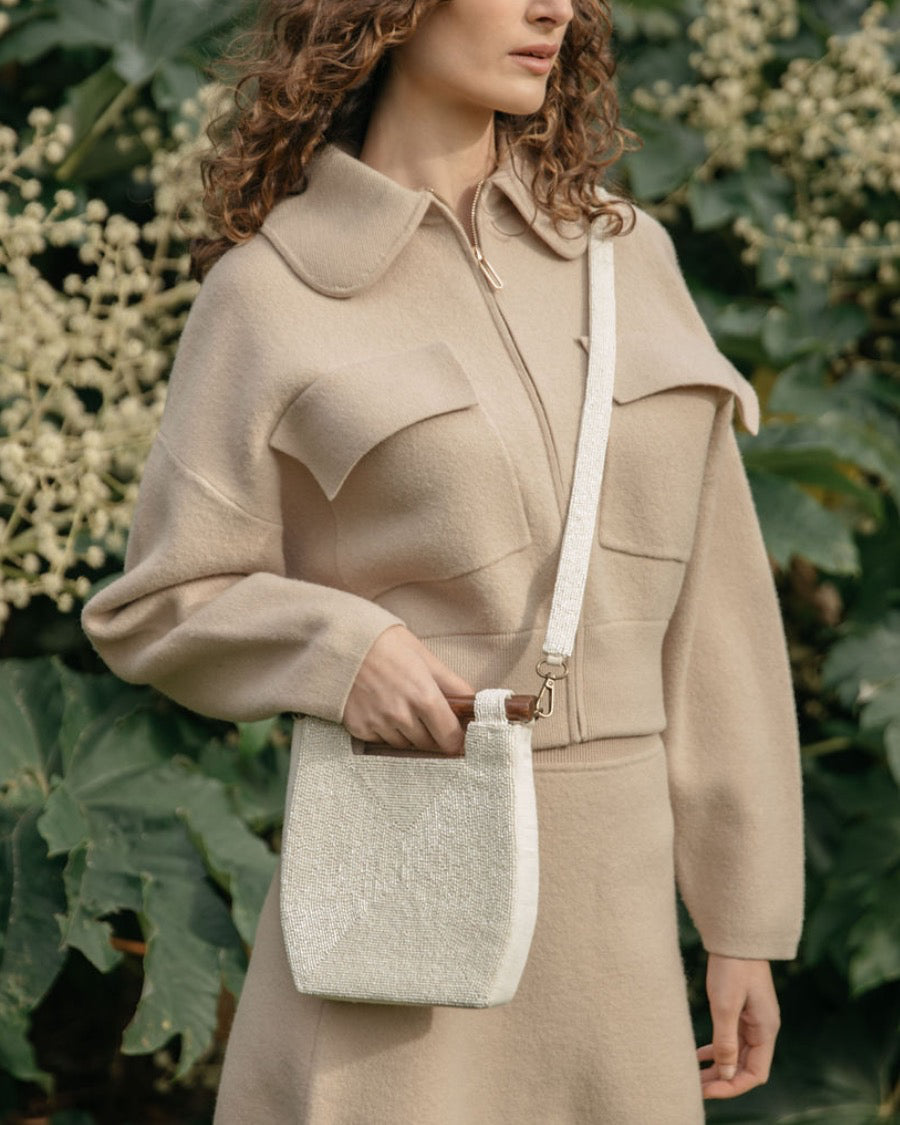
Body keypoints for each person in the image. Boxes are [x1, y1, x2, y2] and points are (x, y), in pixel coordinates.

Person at [80, 0, 806, 1121]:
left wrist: (745, 919)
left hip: (618, 944)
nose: (552, 7)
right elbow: (160, 603)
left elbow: (719, 611)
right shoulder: (271, 295)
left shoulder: (630, 259)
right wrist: (343, 650)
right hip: (402, 911)